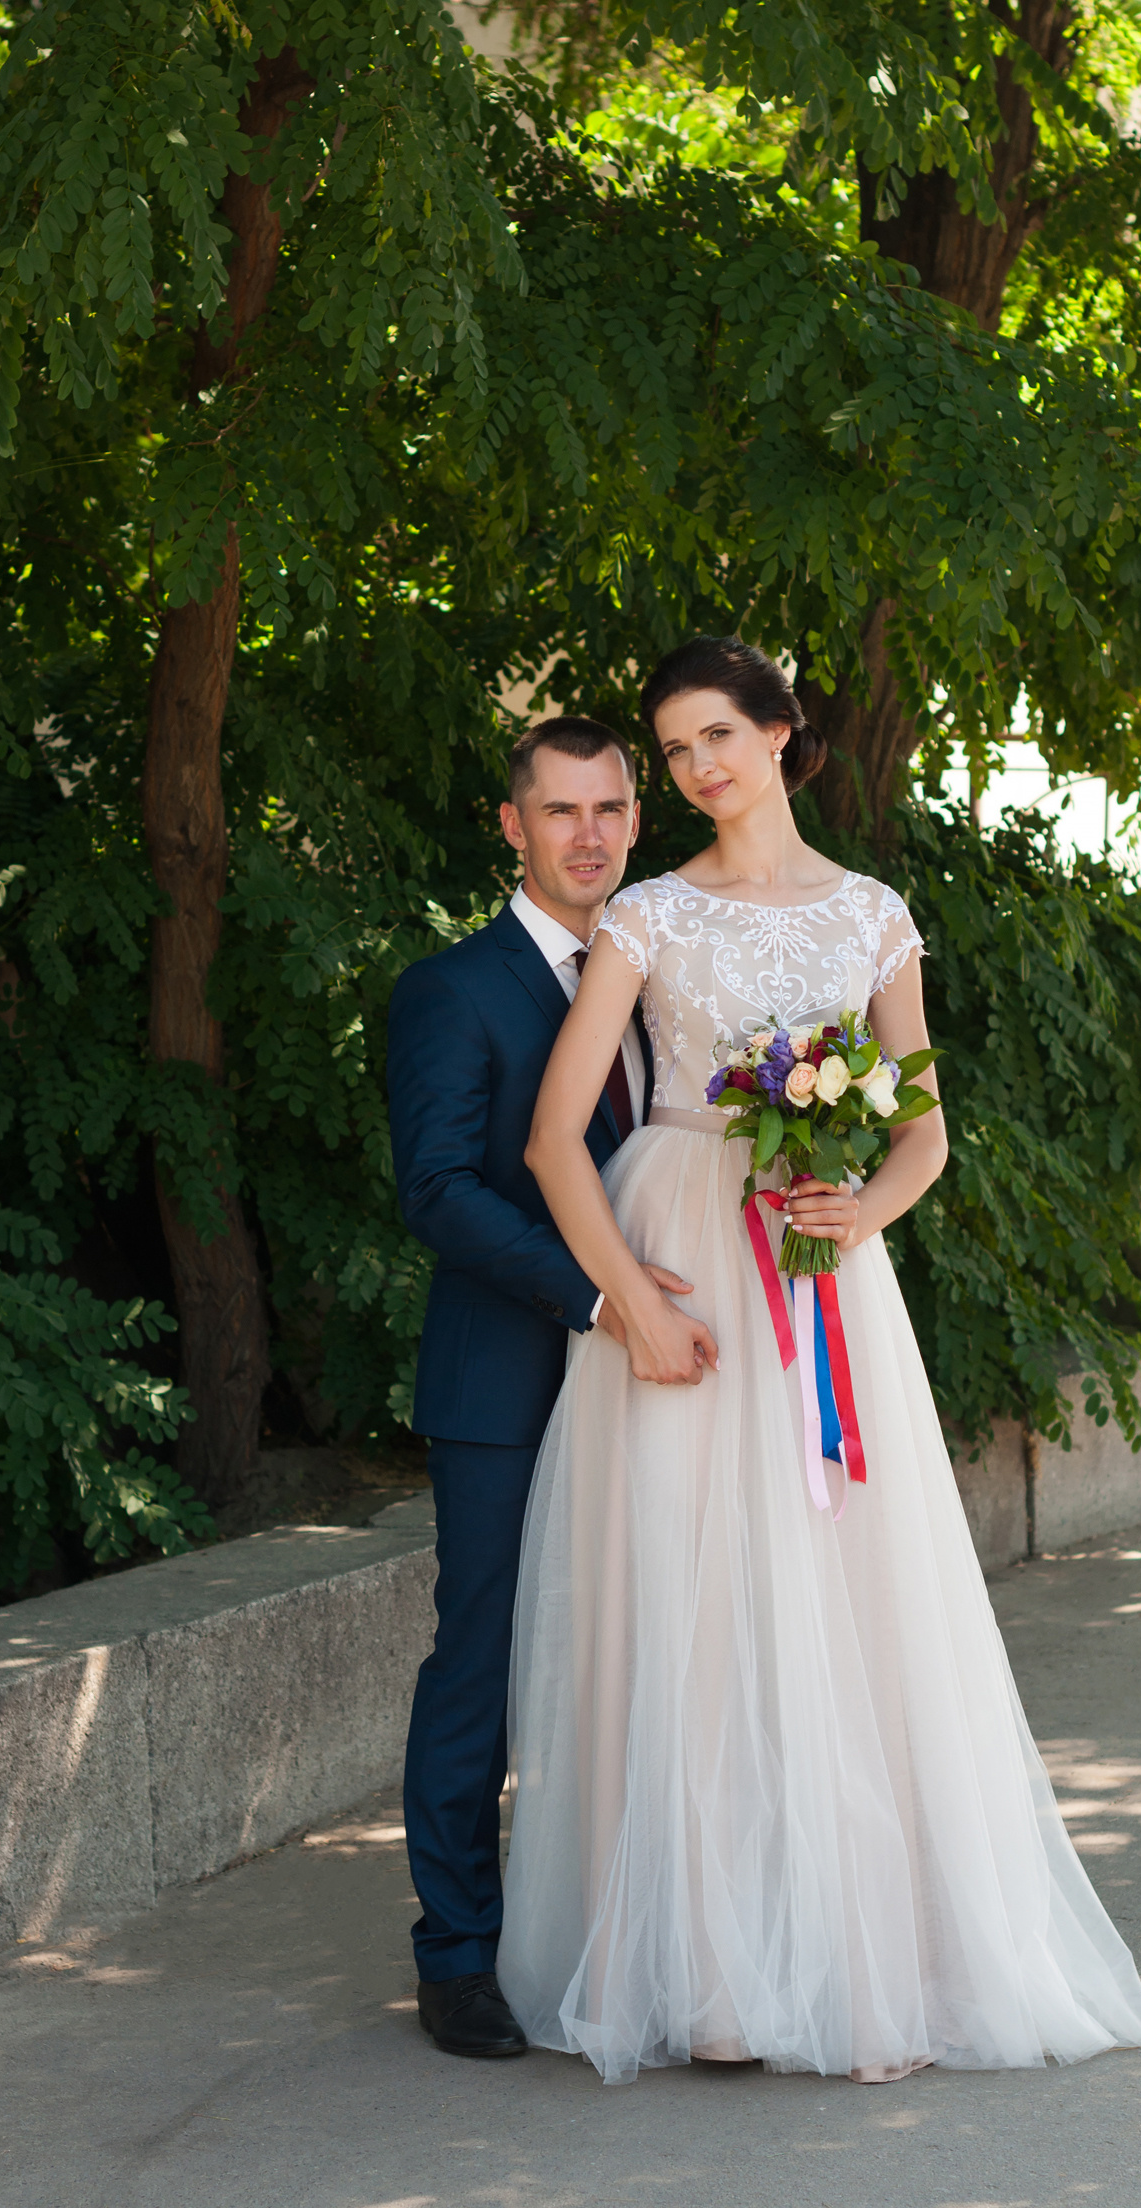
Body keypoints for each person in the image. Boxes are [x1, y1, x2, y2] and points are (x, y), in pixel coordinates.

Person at [499, 636, 1141, 2084]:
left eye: (718, 736)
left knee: (843, 1606)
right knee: (689, 1603)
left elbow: (922, 1129)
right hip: (679, 1253)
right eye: (674, 749)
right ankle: (706, 1977)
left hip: (820, 1274)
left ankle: (853, 1953)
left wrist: (861, 1203)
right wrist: (629, 1302)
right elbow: (555, 1141)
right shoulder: (648, 920)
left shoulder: (872, 914)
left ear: (785, 734)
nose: (696, 770)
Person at [388, 716, 716, 2061]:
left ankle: (612, 1929)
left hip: (670, 1381)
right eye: (560, 811)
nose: (589, 835)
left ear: (638, 820)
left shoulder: (661, 975)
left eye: (611, 810)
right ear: (510, 824)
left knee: (640, 1657)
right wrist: (602, 1299)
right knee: (486, 1665)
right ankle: (457, 1957)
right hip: (511, 1380)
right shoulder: (451, 990)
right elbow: (443, 1192)